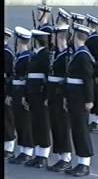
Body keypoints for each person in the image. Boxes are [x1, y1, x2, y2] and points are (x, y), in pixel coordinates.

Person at [64, 23, 95, 176]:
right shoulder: (78, 53)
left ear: (76, 36)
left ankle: (84, 164)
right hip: (74, 96)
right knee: (76, 129)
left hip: (80, 98)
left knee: (81, 129)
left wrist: (89, 99)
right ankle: (79, 162)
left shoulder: (83, 55)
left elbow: (88, 78)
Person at [46, 25, 73, 172]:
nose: (53, 39)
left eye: (56, 36)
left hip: (61, 94)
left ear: (62, 38)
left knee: (62, 126)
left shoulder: (68, 56)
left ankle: (66, 158)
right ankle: (59, 157)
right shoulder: (56, 54)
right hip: (52, 94)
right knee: (55, 126)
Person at [24, 29, 51, 168]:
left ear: (36, 40)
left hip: (40, 94)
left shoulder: (45, 55)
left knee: (43, 124)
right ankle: (38, 154)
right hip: (33, 93)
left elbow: (47, 78)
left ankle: (44, 155)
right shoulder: (35, 54)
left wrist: (46, 96)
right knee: (35, 123)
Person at [9, 27, 34, 165]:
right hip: (16, 90)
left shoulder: (27, 57)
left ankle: (28, 151)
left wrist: (25, 95)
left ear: (19, 40)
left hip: (23, 91)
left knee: (25, 122)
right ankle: (22, 150)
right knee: (19, 122)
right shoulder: (20, 56)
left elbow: (27, 78)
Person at [85, 14, 98, 132]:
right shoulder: (91, 38)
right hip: (91, 70)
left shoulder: (95, 40)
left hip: (95, 71)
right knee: (93, 95)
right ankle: (93, 119)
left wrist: (97, 74)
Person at [4, 27, 16, 160]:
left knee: (7, 119)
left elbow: (12, 75)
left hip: (5, 89)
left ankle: (9, 148)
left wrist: (9, 93)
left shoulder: (8, 53)